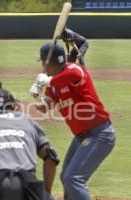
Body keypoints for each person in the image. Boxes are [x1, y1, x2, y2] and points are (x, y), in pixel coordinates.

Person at [30, 43, 115, 200]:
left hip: (100, 134)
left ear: (48, 62)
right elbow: (46, 106)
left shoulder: (73, 70)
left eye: (43, 63)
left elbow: (75, 74)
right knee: (66, 177)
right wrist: (37, 96)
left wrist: (48, 81)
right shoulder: (54, 83)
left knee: (73, 178)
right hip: (82, 136)